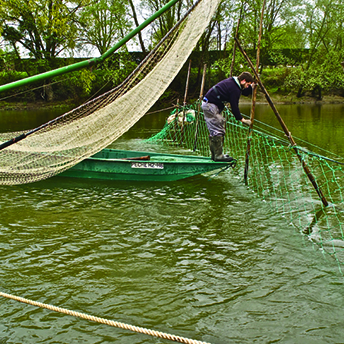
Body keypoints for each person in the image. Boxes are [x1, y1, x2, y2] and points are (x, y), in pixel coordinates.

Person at [201, 71, 255, 162]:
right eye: (247, 84)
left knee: (216, 129)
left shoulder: (234, 82)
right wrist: (242, 119)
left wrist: (251, 88)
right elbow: (234, 106)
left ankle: (215, 155)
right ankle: (218, 156)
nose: (247, 86)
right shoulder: (234, 88)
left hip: (209, 104)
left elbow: (245, 92)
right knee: (217, 129)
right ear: (243, 81)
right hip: (210, 106)